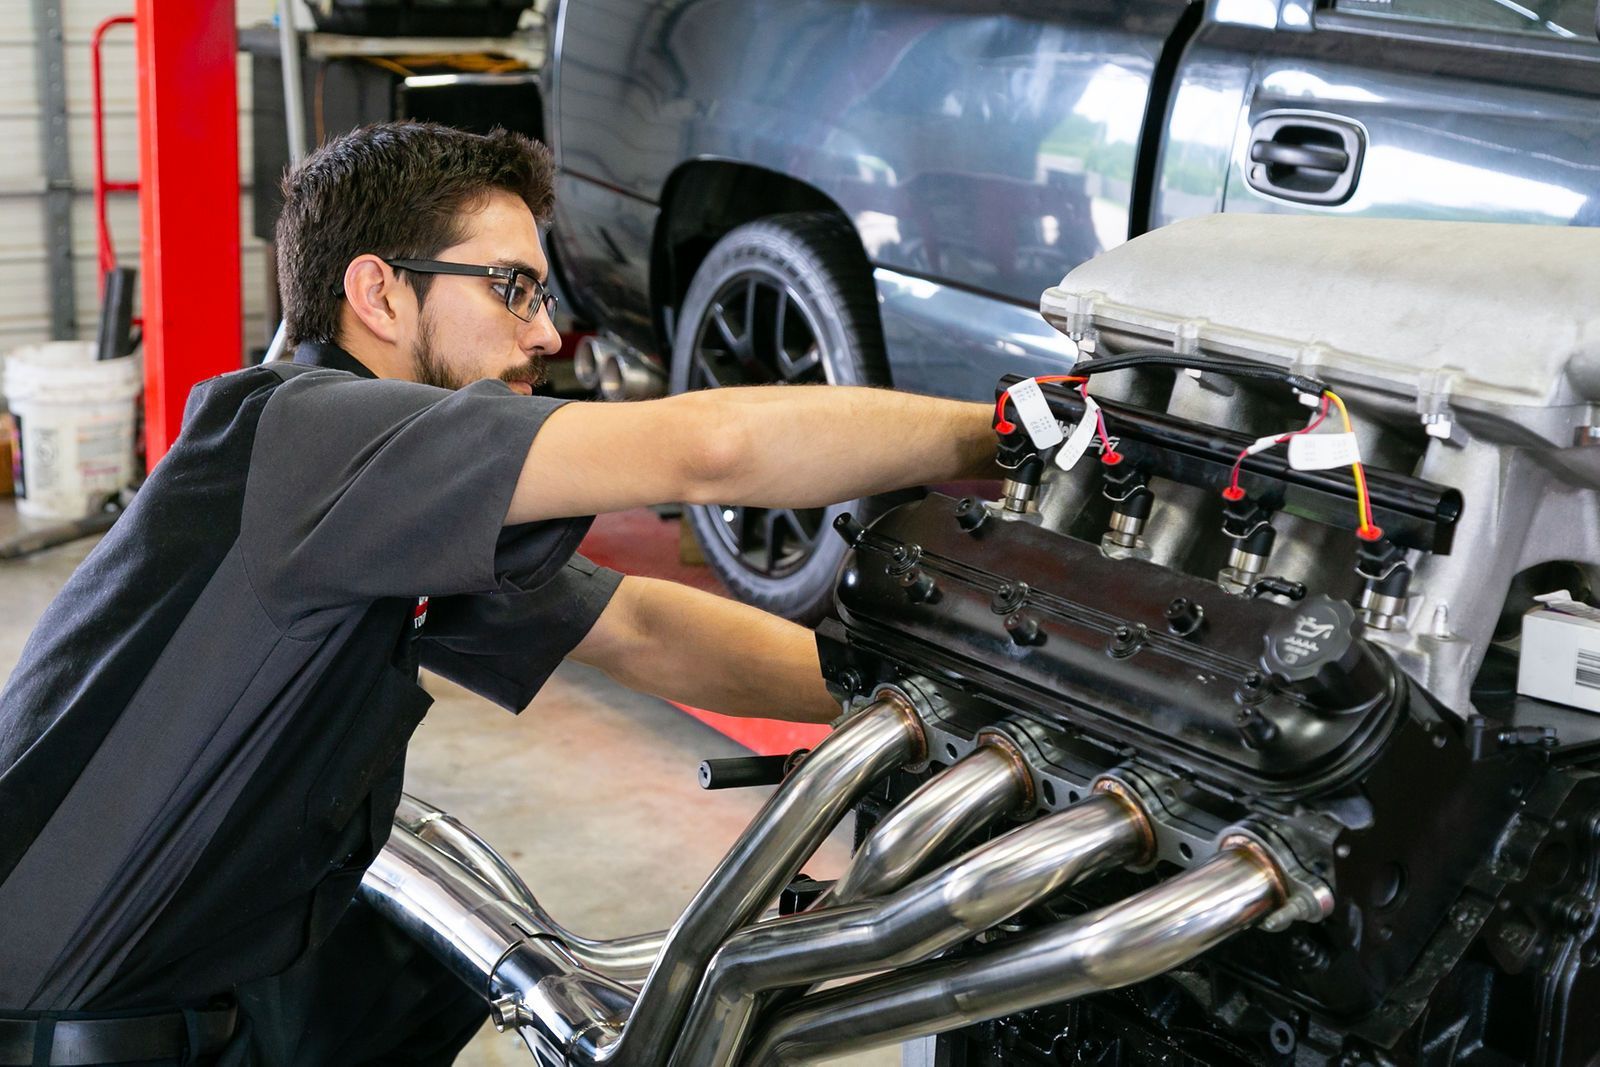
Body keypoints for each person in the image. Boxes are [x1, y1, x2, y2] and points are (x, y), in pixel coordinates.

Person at [0, 121, 998, 1064]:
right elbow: (712, 447)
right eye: (513, 289)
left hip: (175, 973)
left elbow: (644, 628)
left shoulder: (387, 500)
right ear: (380, 294)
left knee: (401, 969)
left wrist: (909, 702)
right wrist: (1002, 432)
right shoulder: (311, 433)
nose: (549, 334)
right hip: (65, 1016)